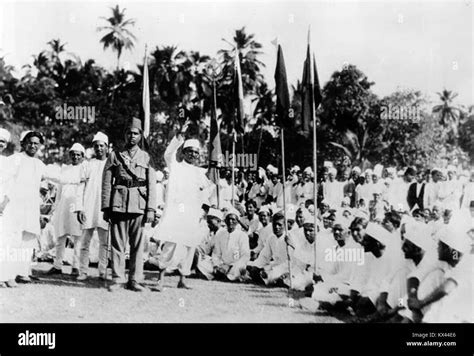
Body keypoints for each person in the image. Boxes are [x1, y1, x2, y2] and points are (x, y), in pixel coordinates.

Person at [3, 131, 83, 283]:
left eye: (36, 143)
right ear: (23, 143)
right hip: (15, 206)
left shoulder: (39, 164)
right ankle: (8, 275)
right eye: (30, 142)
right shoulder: (15, 159)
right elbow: (6, 181)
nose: (33, 145)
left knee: (28, 240)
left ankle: (22, 273)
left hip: (31, 206)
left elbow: (59, 177)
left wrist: (79, 178)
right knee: (14, 240)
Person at [150, 120, 212, 291]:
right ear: (183, 153)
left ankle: (183, 279)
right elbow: (168, 154)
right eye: (189, 152)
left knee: (189, 246)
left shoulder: (200, 173)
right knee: (170, 245)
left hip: (192, 215)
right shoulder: (175, 166)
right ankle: (160, 280)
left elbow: (205, 194)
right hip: (176, 213)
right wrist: (179, 136)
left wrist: (203, 212)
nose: (192, 155)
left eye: (195, 153)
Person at [101, 118, 156, 292]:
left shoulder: (147, 157)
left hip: (139, 205)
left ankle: (135, 280)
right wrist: (106, 207)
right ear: (125, 134)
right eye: (129, 133)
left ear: (141, 136)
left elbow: (152, 185)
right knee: (117, 245)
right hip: (118, 204)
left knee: (138, 246)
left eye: (135, 133)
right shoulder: (115, 155)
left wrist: (151, 209)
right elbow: (107, 182)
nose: (132, 136)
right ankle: (117, 279)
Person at [47, 143, 87, 276]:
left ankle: (75, 267)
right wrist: (56, 206)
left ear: (82, 156)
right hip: (63, 205)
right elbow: (59, 189)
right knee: (60, 235)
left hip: (76, 206)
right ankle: (57, 265)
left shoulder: (85, 169)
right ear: (70, 155)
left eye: (78, 154)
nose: (75, 157)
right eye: (73, 154)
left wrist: (82, 207)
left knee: (77, 237)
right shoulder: (64, 169)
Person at [75, 132, 110, 281]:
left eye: (102, 146)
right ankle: (83, 271)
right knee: (84, 242)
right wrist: (79, 207)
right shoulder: (87, 165)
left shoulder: (111, 164)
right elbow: (80, 187)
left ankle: (103, 271)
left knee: (104, 243)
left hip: (104, 208)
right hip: (88, 207)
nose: (99, 148)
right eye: (96, 146)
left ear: (107, 147)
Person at [246, 212, 292, 286]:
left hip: (288, 266)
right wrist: (256, 265)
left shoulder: (290, 237)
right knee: (253, 269)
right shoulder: (271, 238)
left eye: (279, 225)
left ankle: (279, 279)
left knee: (272, 274)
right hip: (275, 264)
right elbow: (264, 256)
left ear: (285, 226)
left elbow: (293, 260)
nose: (276, 227)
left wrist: (291, 244)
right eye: (274, 224)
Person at [211, 208, 250, 281]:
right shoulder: (220, 234)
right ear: (225, 221)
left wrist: (231, 267)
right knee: (205, 263)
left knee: (239, 268)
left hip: (236, 265)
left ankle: (227, 275)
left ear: (237, 222)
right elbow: (216, 253)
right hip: (223, 265)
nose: (230, 221)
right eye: (228, 219)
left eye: (233, 219)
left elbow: (245, 256)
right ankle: (224, 274)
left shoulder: (242, 235)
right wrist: (217, 265)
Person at [193, 208, 225, 280]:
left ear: (218, 221)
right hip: (211, 260)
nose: (208, 225)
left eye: (210, 222)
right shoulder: (211, 234)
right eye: (208, 222)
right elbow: (205, 249)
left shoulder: (224, 233)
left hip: (221, 262)